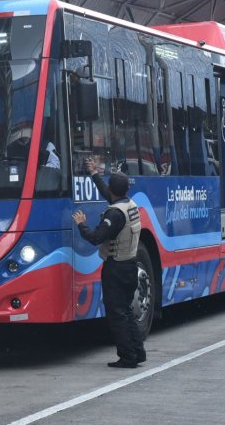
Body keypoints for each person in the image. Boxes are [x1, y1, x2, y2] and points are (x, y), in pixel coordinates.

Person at [72, 158, 146, 369]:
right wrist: (94, 173)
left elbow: (96, 237)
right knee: (126, 311)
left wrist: (81, 225)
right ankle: (138, 352)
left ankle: (127, 357)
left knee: (117, 314)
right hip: (131, 265)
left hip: (116, 269)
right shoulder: (130, 205)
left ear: (112, 190)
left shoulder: (113, 214)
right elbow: (109, 194)